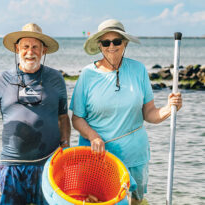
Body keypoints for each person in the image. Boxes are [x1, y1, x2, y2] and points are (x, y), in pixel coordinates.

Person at [69, 19, 182, 205]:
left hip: (135, 154)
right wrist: (92, 136)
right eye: (106, 42)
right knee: (97, 201)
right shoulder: (87, 75)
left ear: (125, 43)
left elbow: (150, 113)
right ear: (99, 45)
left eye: (117, 41)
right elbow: (77, 119)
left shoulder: (138, 70)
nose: (111, 46)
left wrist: (170, 109)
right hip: (99, 156)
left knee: (136, 202)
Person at [0, 23, 71, 205]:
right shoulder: (2, 79)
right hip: (13, 166)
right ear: (17, 48)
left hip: (49, 165)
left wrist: (65, 145)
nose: (30, 51)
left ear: (44, 50)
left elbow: (63, 117)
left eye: (35, 47)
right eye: (25, 46)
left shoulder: (56, 78)